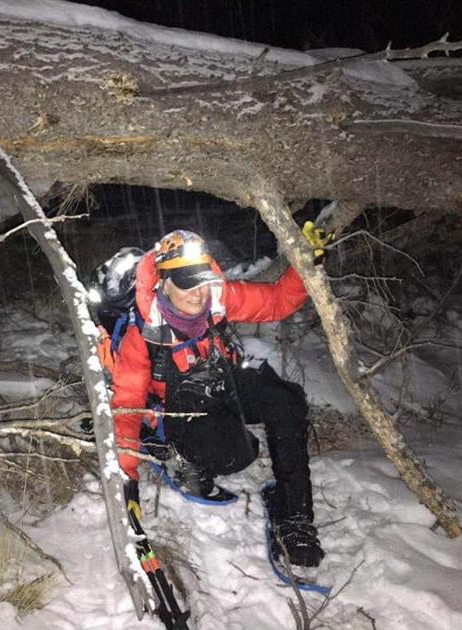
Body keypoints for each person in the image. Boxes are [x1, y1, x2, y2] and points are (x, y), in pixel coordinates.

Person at [111, 229, 327, 569]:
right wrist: (126, 476)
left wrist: (305, 264)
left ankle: (295, 518)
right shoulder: (143, 336)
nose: (198, 294)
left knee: (286, 402)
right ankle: (178, 454)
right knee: (235, 454)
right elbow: (126, 405)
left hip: (220, 382)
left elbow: (277, 301)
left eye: (202, 280)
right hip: (179, 407)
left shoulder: (217, 297)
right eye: (186, 283)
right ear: (163, 284)